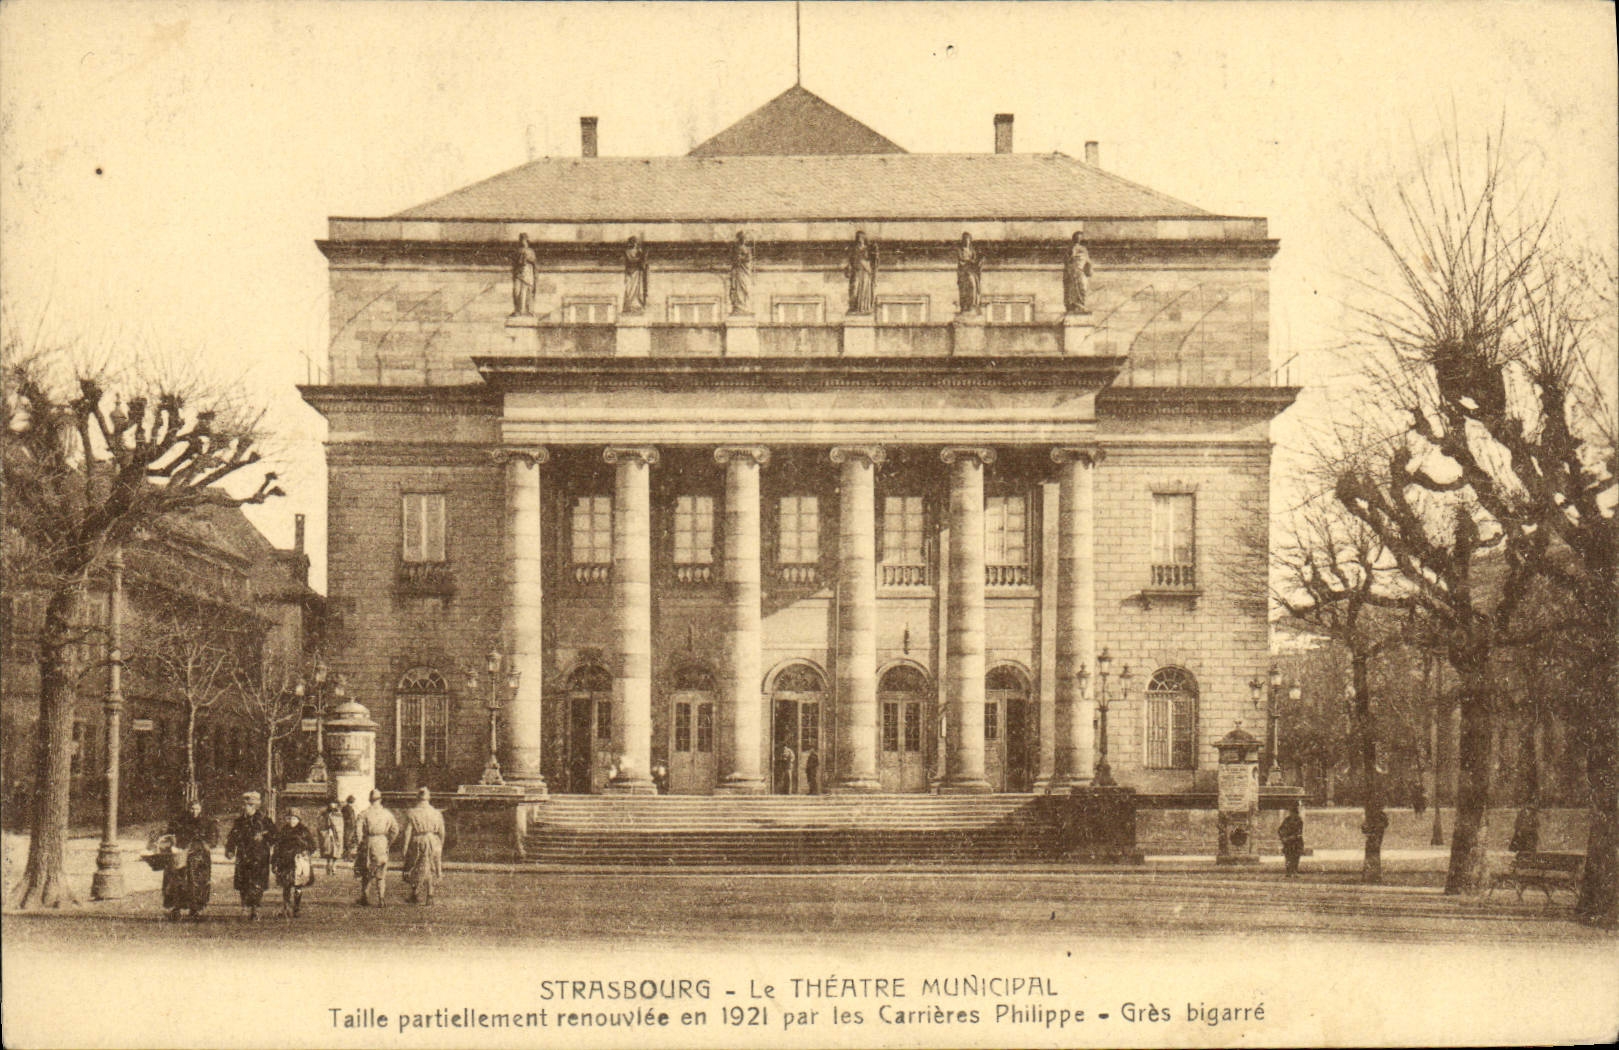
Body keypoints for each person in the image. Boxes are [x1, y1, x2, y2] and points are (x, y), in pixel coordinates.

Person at [159, 798, 216, 922]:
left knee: (198, 882)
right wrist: (172, 844)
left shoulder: (207, 822)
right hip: (181, 854)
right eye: (192, 809)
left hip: (199, 857)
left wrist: (205, 844)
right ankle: (176, 908)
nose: (194, 812)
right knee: (178, 881)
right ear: (188, 809)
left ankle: (195, 909)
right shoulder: (180, 821)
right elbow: (169, 835)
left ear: (201, 809)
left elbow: (212, 839)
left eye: (197, 809)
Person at [224, 791, 275, 920]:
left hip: (259, 856)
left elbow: (275, 836)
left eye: (249, 805)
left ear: (254, 806)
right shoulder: (240, 821)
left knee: (257, 883)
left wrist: (264, 835)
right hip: (243, 855)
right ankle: (245, 907)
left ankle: (255, 908)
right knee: (243, 882)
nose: (246, 807)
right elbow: (233, 836)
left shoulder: (265, 820)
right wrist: (230, 850)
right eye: (245, 805)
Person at [353, 789, 400, 907]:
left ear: (370, 800)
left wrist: (360, 844)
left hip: (369, 842)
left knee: (366, 870)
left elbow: (358, 831)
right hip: (382, 842)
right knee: (381, 872)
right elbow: (395, 830)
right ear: (380, 800)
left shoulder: (364, 814)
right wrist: (388, 842)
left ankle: (365, 897)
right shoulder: (387, 814)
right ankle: (381, 899)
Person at [400, 787, 446, 906]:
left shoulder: (412, 812)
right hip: (433, 839)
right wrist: (440, 844)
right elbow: (442, 832)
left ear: (417, 798)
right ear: (429, 798)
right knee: (431, 866)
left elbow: (407, 831)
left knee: (417, 866)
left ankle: (415, 893)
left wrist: (405, 846)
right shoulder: (436, 813)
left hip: (418, 840)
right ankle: (430, 894)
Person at [271, 810, 318, 918]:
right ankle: (286, 907)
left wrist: (305, 849)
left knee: (298, 885)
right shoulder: (284, 831)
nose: (292, 820)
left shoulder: (304, 831)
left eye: (294, 818)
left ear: (298, 819)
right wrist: (274, 862)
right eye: (290, 818)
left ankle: (297, 907)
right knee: (286, 885)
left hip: (299, 862)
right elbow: (277, 847)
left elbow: (312, 846)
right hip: (286, 862)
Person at [844, 231, 877, 315]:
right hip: (856, 271)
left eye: (861, 238)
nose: (860, 239)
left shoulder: (868, 249)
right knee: (854, 290)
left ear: (864, 239)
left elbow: (874, 262)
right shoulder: (854, 249)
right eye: (858, 237)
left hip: (865, 272)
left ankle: (864, 308)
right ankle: (854, 307)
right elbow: (850, 261)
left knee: (865, 290)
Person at [1063, 232, 1093, 314]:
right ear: (1074, 238)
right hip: (1072, 271)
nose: (1078, 239)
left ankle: (1081, 304)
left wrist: (1089, 269)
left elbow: (1088, 261)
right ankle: (1074, 306)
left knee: (1082, 288)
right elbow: (1066, 261)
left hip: (1081, 271)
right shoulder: (1069, 248)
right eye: (1077, 237)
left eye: (1080, 237)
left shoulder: (1084, 249)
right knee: (1072, 289)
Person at [955, 232, 982, 314]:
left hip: (971, 270)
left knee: (973, 285)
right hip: (964, 271)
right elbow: (961, 261)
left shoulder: (972, 251)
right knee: (965, 288)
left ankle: (972, 304)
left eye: (968, 239)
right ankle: (965, 305)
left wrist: (978, 262)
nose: (967, 241)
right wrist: (969, 261)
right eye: (966, 239)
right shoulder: (960, 250)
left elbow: (975, 260)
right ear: (963, 240)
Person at [512, 233, 538, 315]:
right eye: (521, 239)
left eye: (523, 239)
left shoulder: (530, 251)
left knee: (524, 292)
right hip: (518, 273)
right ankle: (517, 309)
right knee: (516, 291)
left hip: (527, 273)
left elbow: (534, 263)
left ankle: (522, 311)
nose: (522, 241)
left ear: (527, 240)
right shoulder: (517, 251)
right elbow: (514, 263)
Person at [727, 231, 753, 315]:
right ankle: (739, 306)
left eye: (745, 238)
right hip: (738, 271)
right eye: (742, 238)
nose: (744, 239)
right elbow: (735, 259)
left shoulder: (748, 249)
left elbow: (748, 259)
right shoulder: (736, 249)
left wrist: (743, 258)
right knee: (738, 288)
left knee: (745, 288)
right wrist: (738, 258)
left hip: (744, 271)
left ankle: (744, 305)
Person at [1278, 801, 1305, 879]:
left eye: (1292, 812)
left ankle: (1293, 872)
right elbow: (1280, 830)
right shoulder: (1287, 820)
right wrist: (1283, 837)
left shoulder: (1298, 820)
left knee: (1294, 857)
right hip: (1289, 842)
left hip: (1295, 842)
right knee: (1289, 857)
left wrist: (1286, 838)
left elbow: (1298, 833)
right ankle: (1289, 872)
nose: (1291, 814)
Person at [318, 800, 345, 875]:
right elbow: (321, 824)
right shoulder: (325, 814)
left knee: (336, 851)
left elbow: (341, 824)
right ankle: (329, 865)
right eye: (331, 803)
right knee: (329, 850)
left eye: (334, 803)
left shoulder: (339, 814)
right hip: (329, 834)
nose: (333, 804)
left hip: (338, 834)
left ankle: (334, 865)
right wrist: (327, 830)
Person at [622, 236, 648, 314]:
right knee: (631, 289)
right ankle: (630, 305)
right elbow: (632, 260)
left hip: (636, 273)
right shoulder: (628, 251)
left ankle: (636, 304)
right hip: (631, 273)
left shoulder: (637, 251)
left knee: (636, 289)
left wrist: (642, 256)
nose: (636, 245)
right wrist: (642, 257)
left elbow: (641, 263)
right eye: (635, 243)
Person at [340, 795, 359, 860]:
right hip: (348, 827)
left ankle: (346, 855)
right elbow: (346, 818)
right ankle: (347, 856)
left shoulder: (349, 808)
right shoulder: (346, 808)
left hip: (351, 827)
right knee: (347, 841)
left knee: (349, 841)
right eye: (353, 801)